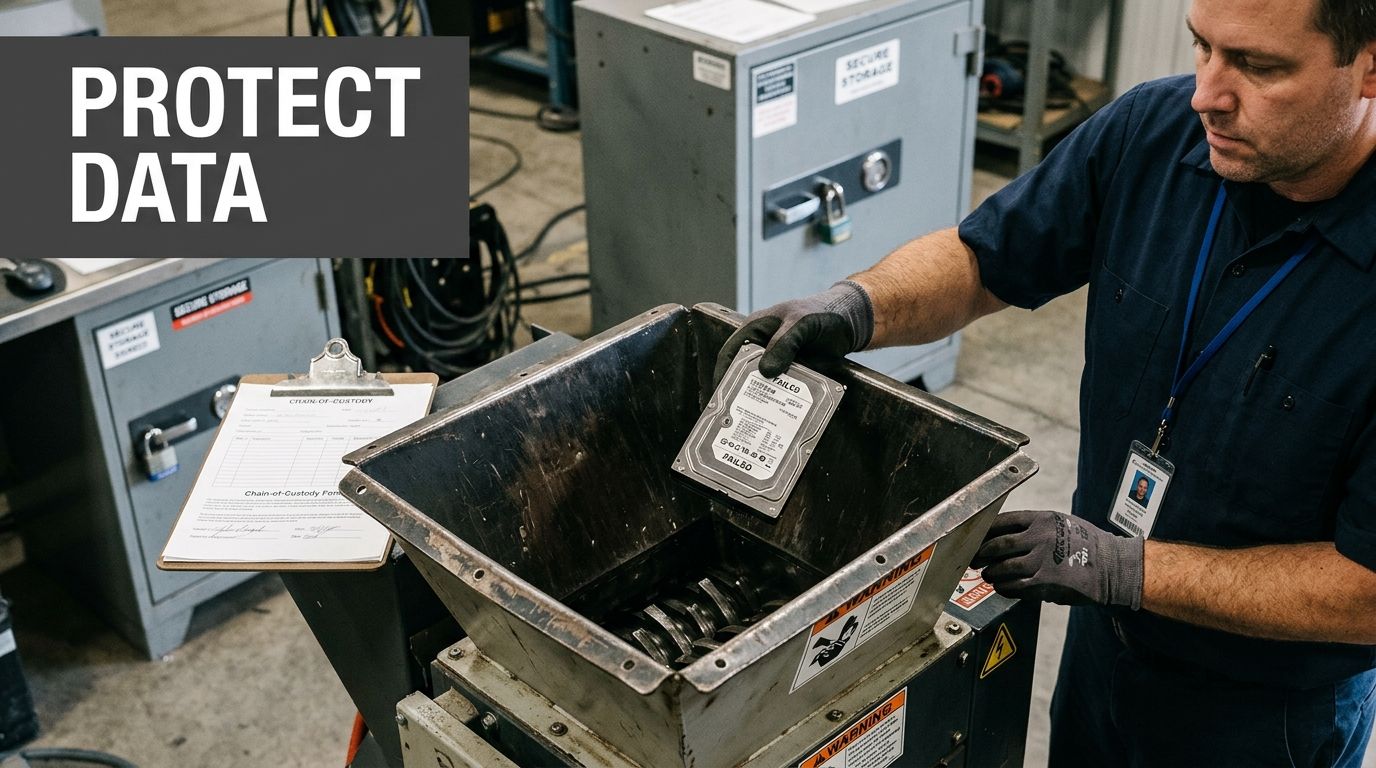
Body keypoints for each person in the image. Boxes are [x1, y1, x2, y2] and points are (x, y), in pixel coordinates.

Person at [715, 0, 1376, 765]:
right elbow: (984, 258)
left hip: (1266, 714)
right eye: (1203, 48)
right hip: (1104, 641)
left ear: (1368, 66)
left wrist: (1128, 566)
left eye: (1260, 67)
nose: (1208, 94)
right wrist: (859, 307)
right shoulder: (1155, 134)